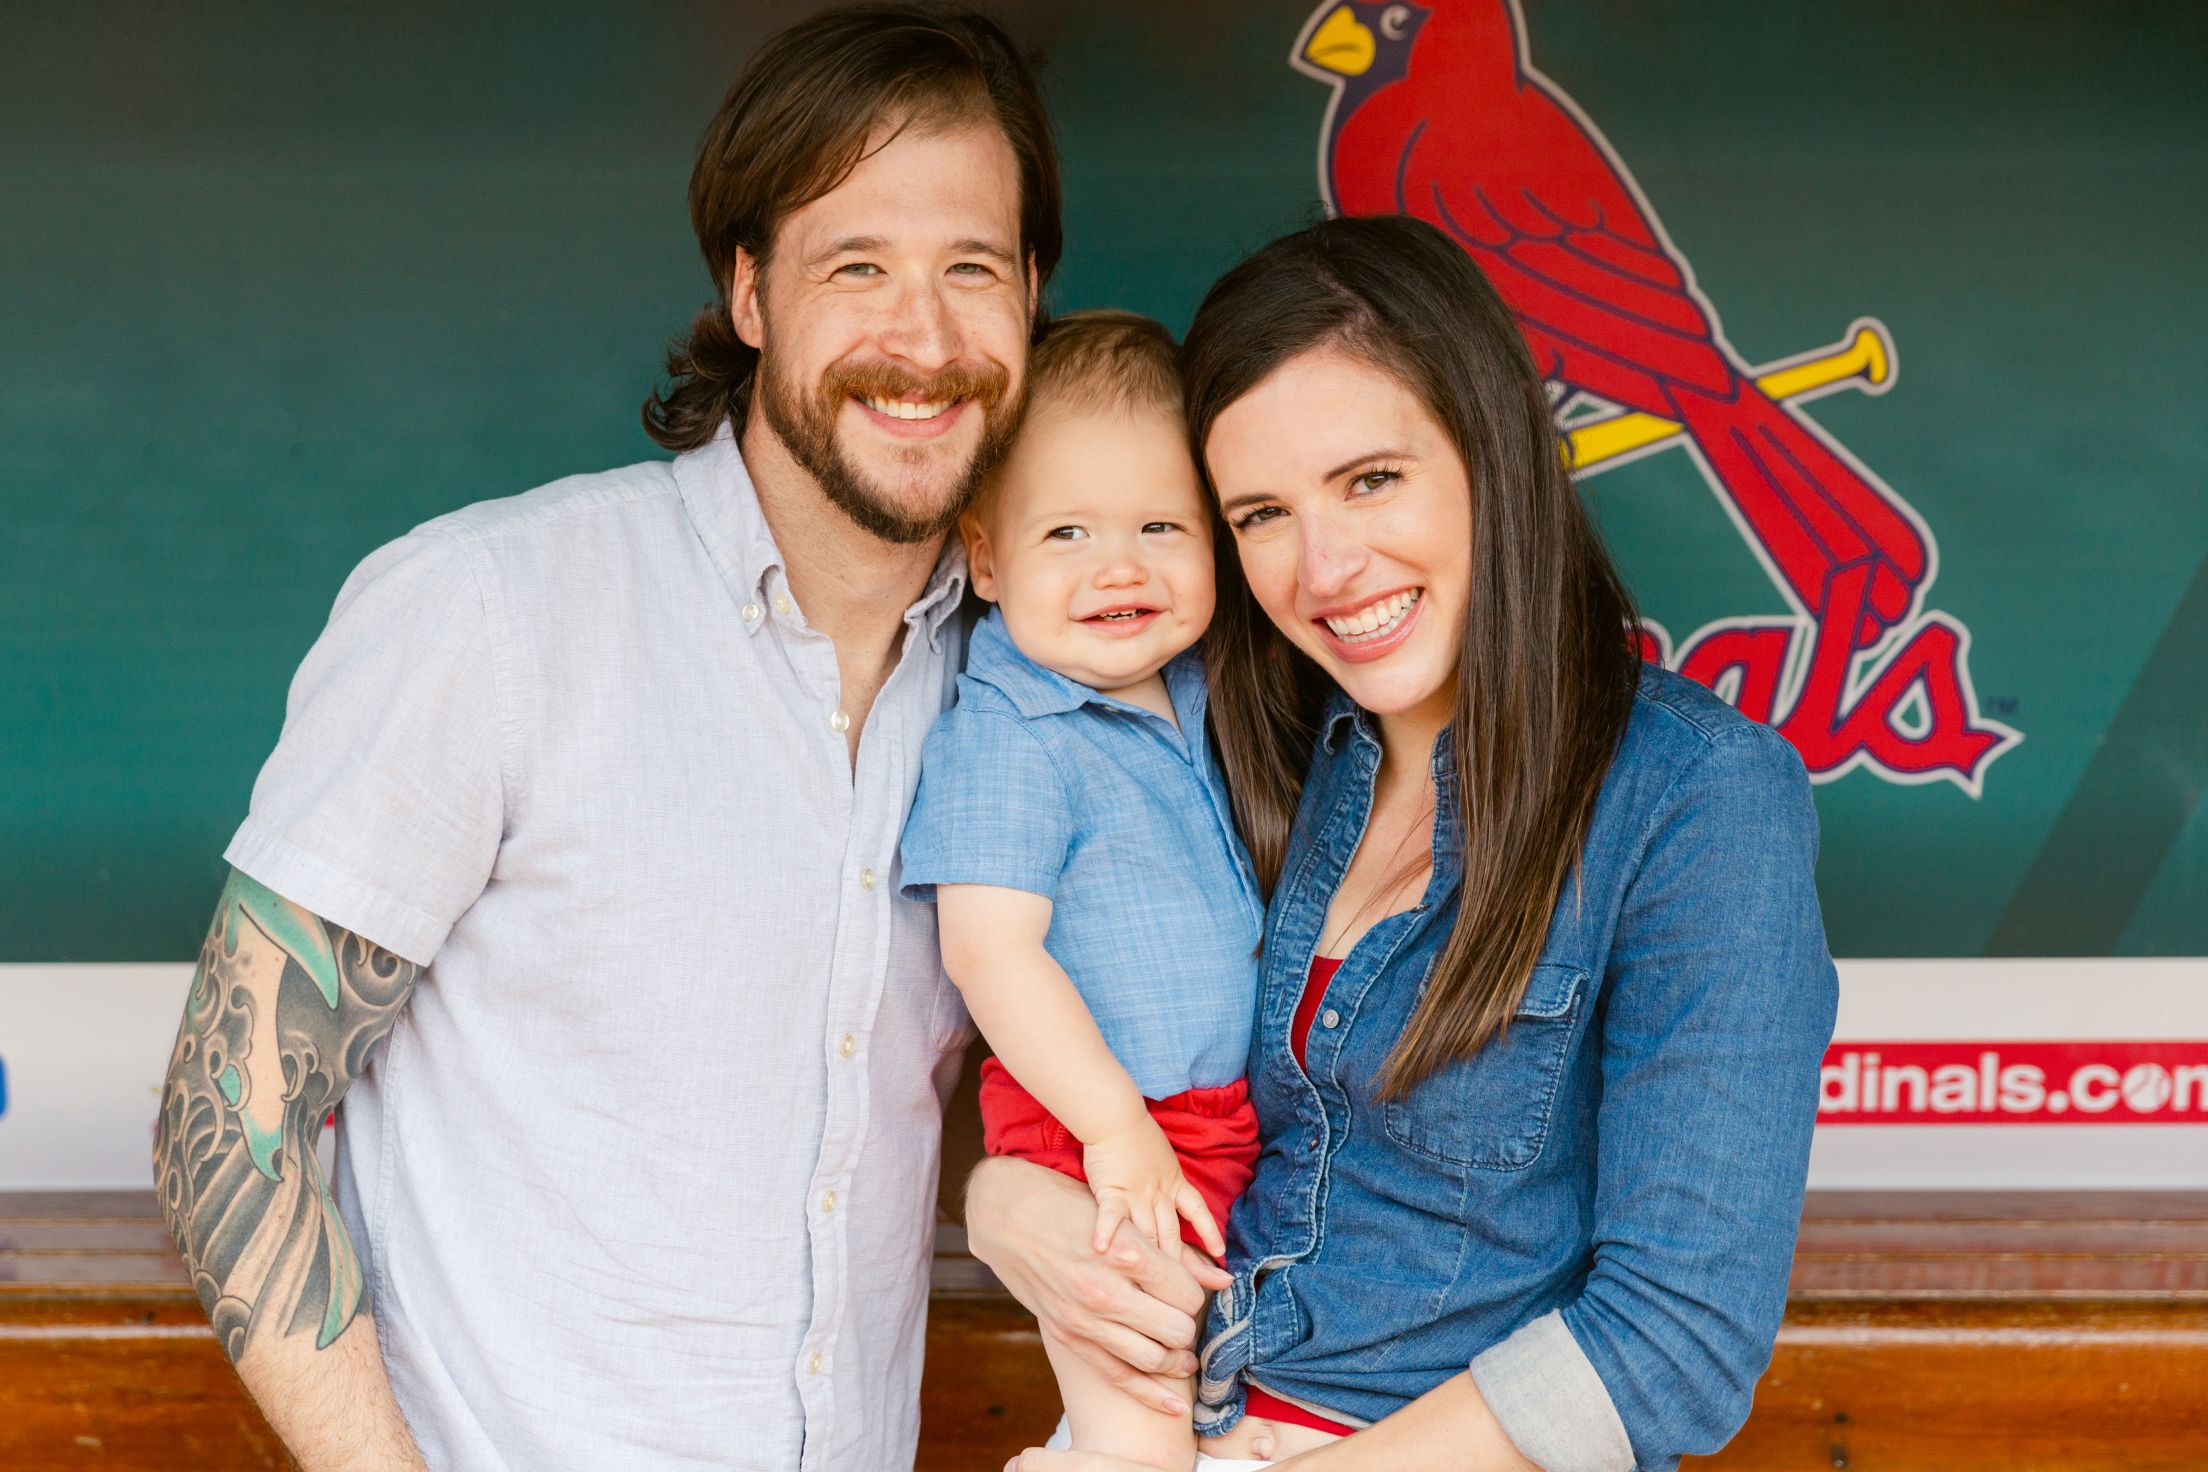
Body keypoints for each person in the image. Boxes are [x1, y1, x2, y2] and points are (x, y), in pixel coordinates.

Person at [149, 8, 1059, 1469]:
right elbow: (230, 1121)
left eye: (971, 268)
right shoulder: (493, 612)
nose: (924, 338)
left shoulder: (1027, 692)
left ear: (1032, 293)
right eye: (858, 268)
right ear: (750, 290)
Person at [968, 214, 1838, 1472]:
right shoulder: (1254, 745)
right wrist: (1002, 1206)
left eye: (1371, 478)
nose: (1325, 565)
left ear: (1496, 452)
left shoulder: (1699, 797)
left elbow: (1674, 1341)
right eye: (1259, 512)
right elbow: (1071, 1033)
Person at [898, 311, 1264, 1471]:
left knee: (1200, 1398)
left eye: (1163, 525)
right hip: (1094, 1127)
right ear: (987, 559)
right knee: (1138, 1414)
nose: (1122, 567)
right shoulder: (1011, 732)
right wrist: (1112, 1128)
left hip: (1206, 1118)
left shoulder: (1210, 692)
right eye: (1068, 531)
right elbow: (990, 951)